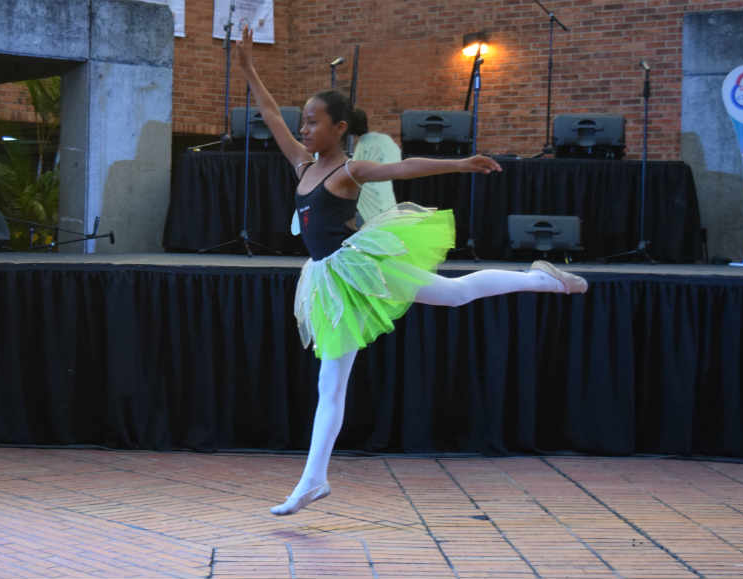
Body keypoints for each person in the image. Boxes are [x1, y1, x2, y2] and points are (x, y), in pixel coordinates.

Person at [232, 25, 588, 516]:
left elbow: (404, 168)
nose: (305, 130)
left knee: (454, 294)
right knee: (329, 385)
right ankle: (313, 480)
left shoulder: (349, 170)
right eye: (304, 123)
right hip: (328, 280)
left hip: (360, 269)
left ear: (339, 128)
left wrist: (460, 164)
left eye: (314, 123)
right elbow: (272, 116)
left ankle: (541, 279)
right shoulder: (302, 164)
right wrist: (249, 68)